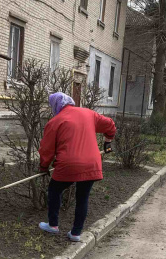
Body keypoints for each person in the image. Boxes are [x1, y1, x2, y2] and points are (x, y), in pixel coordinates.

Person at [38, 92, 116, 242]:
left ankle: (53, 225)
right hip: (91, 164)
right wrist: (107, 142)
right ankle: (76, 233)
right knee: (83, 197)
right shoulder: (89, 114)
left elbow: (46, 149)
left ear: (55, 105)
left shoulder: (55, 121)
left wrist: (43, 167)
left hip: (68, 165)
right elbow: (110, 125)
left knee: (54, 190)